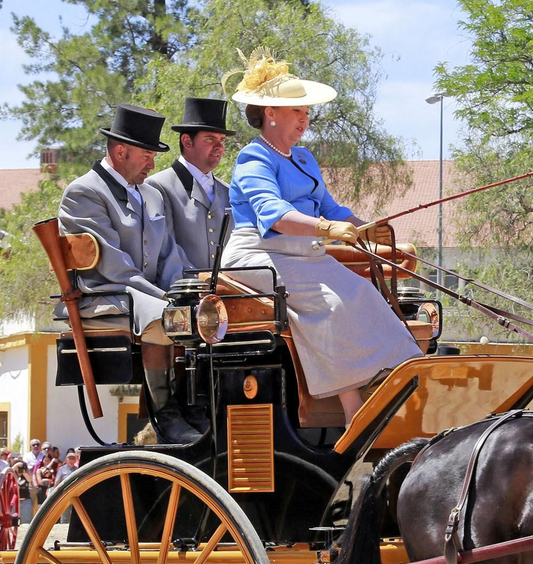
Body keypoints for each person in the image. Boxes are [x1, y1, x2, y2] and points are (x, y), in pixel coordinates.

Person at [221, 51, 420, 420]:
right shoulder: (253, 158)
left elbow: (329, 206)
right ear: (271, 113)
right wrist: (328, 230)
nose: (305, 118)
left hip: (304, 253)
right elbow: (274, 214)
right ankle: (352, 411)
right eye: (297, 110)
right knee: (333, 304)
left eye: (307, 111)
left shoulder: (304, 158)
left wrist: (361, 225)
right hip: (257, 255)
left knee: (364, 294)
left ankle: (396, 380)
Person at [58, 102, 202, 443]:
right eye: (147, 155)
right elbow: (113, 265)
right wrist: (166, 300)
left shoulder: (151, 193)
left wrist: (182, 290)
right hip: (103, 297)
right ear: (120, 151)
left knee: (205, 312)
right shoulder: (84, 192)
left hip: (144, 296)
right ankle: (165, 414)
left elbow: (169, 253)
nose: (153, 164)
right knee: (166, 317)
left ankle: (194, 405)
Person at [147, 97, 232, 271]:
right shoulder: (157, 187)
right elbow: (165, 253)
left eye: (222, 140)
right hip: (182, 293)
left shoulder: (228, 191)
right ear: (187, 141)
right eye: (210, 139)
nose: (219, 146)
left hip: (227, 294)